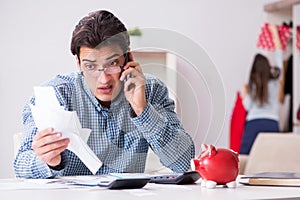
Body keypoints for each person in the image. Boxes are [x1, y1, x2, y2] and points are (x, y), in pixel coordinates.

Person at [14, 10, 195, 178]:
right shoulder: (56, 94)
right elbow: (20, 165)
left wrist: (142, 110)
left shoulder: (151, 90)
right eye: (90, 66)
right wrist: (48, 162)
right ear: (78, 63)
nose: (103, 80)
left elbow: (184, 162)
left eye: (112, 64)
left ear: (128, 59)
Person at [240, 25, 282, 155]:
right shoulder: (275, 82)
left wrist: (245, 93)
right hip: (272, 123)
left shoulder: (251, 85)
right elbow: (279, 57)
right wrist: (275, 32)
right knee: (272, 158)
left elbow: (247, 107)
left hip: (254, 123)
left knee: (245, 157)